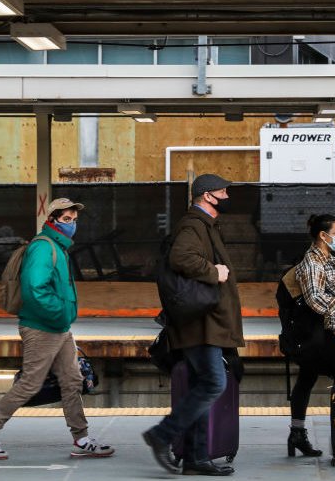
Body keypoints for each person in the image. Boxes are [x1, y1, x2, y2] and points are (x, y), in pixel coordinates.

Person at [0, 198, 114, 460]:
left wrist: (61, 319)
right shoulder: (43, 248)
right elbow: (34, 288)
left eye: (74, 220)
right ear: (52, 220)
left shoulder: (59, 247)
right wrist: (59, 312)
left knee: (72, 381)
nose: (72, 225)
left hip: (59, 327)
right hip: (42, 327)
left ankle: (81, 439)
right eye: (66, 219)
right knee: (30, 384)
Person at [143, 173, 244, 476]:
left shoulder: (205, 225)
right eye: (223, 192)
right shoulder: (193, 225)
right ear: (207, 196)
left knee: (204, 385)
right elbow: (181, 257)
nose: (227, 197)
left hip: (205, 321)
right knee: (214, 382)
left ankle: (196, 458)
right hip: (200, 322)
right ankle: (162, 435)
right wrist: (214, 272)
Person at [279, 214, 335, 458]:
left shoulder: (329, 259)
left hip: (321, 330)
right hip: (315, 331)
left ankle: (297, 434)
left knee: (307, 377)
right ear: (323, 236)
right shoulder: (312, 262)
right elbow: (314, 298)